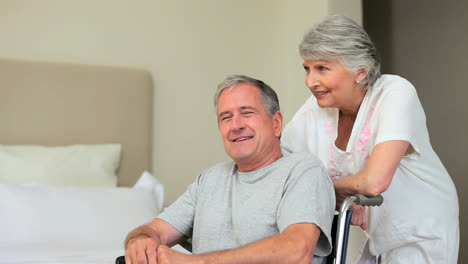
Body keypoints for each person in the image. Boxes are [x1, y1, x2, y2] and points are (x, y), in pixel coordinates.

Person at [281, 14, 459, 263]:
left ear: (360, 72)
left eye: (322, 68)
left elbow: (374, 182)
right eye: (307, 69)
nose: (310, 81)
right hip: (375, 236)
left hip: (421, 230)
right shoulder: (316, 109)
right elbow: (281, 171)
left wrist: (322, 192)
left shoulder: (395, 93)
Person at [124, 75, 335, 264]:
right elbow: (154, 231)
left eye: (247, 113)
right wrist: (141, 240)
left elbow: (297, 251)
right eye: (226, 117)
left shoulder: (303, 171)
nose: (235, 126)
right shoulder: (209, 180)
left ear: (276, 123)